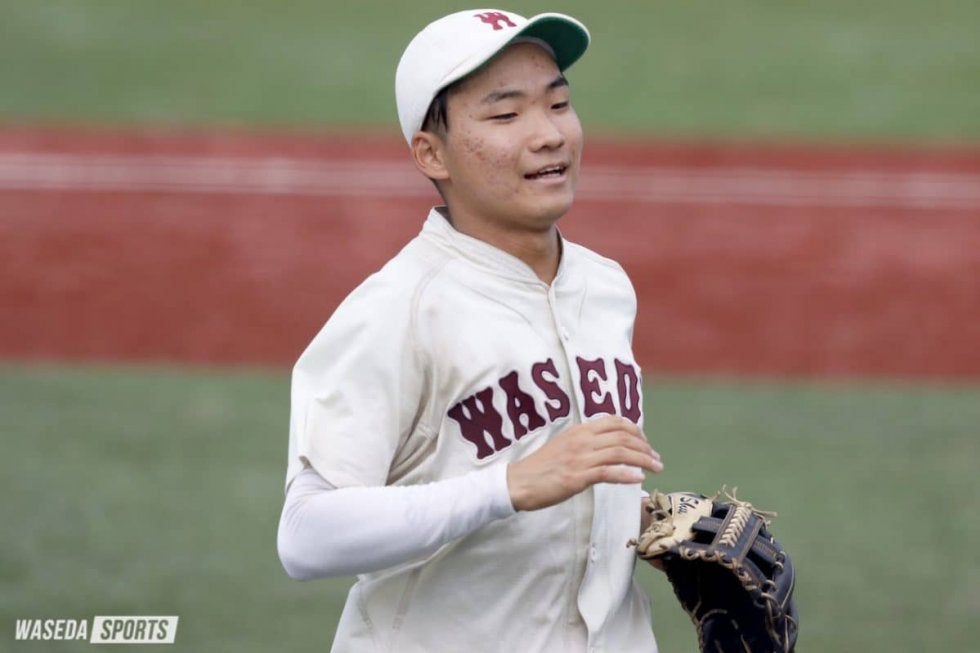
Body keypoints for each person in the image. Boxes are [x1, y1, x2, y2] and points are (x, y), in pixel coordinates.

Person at [277, 9, 664, 652]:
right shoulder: (398, 310)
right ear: (433, 154)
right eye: (506, 115)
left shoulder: (604, 286)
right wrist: (508, 488)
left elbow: (561, 476)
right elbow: (306, 535)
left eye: (559, 104)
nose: (549, 135)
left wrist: (641, 523)